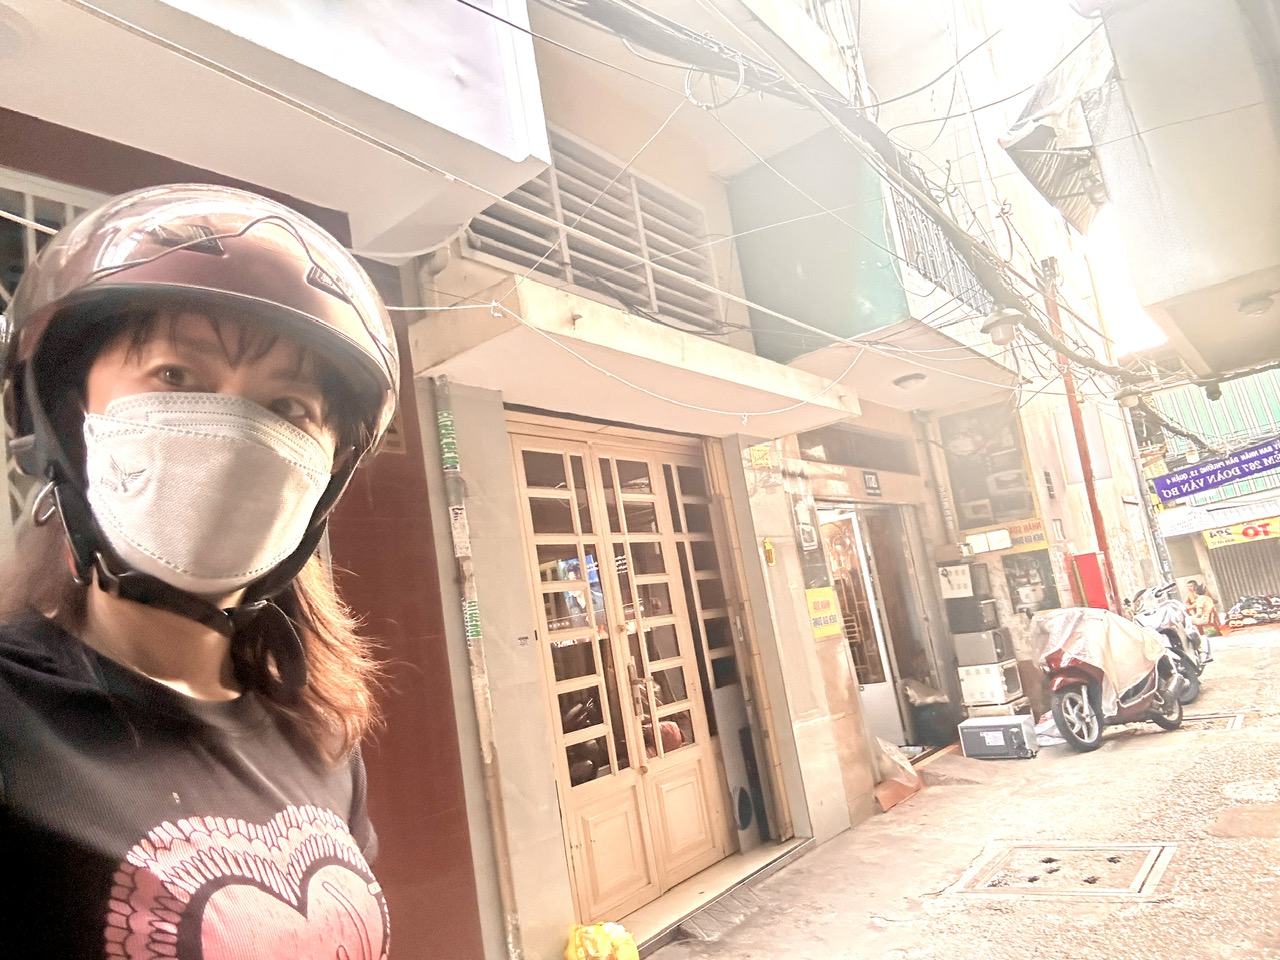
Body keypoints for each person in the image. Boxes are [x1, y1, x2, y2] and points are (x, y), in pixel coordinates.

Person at [0, 185, 399, 958]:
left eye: (288, 408)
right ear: (66, 418)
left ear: (326, 478)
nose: (234, 432)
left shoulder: (320, 732)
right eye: (176, 375)